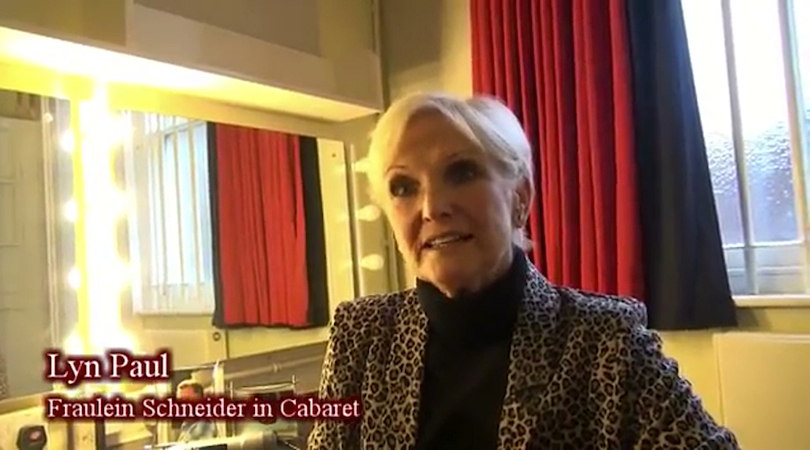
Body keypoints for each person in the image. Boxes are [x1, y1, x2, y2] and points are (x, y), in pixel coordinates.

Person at [307, 92, 739, 449]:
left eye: (462, 172)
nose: (433, 207)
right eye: (403, 186)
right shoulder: (362, 334)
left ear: (520, 198)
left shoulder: (605, 341)